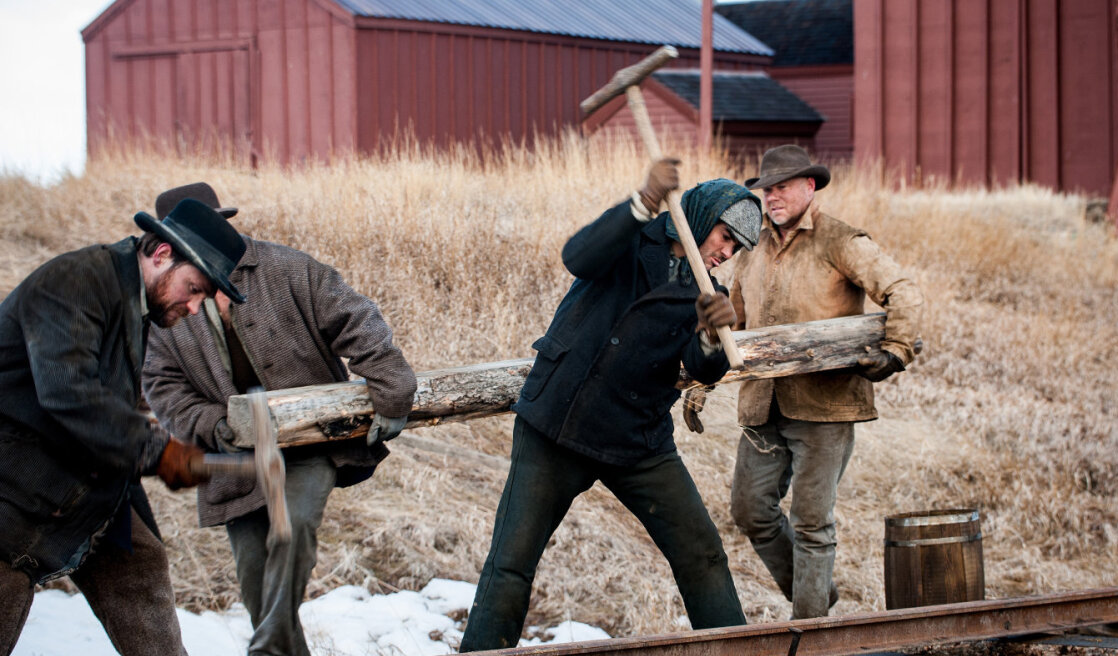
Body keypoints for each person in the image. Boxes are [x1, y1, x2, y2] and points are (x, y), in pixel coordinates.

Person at [459, 160, 762, 652]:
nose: (725, 254)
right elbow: (577, 256)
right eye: (725, 237)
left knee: (702, 554)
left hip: (638, 440)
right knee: (511, 564)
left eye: (736, 249)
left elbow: (701, 367)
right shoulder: (632, 238)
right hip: (558, 423)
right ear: (702, 219)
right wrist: (641, 203)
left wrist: (709, 336)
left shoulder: (707, 294)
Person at [141, 183, 417, 656]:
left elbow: (357, 319)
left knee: (292, 530)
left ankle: (264, 649)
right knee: (254, 578)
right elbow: (163, 388)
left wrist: (392, 393)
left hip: (311, 441)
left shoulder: (287, 268)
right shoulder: (164, 306)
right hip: (232, 459)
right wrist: (214, 426)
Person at [0, 198, 248, 656]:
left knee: (139, 564)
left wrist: (138, 501)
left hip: (86, 489)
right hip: (14, 495)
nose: (195, 307)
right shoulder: (74, 282)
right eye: (193, 289)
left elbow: (110, 409)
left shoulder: (137, 304)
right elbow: (69, 394)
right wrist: (160, 452)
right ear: (161, 255)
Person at [715, 144, 921, 619]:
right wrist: (703, 366)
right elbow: (735, 325)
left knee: (811, 523)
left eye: (782, 187)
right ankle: (816, 594)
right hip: (762, 404)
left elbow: (902, 290)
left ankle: (808, 633)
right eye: (767, 190)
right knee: (750, 510)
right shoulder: (754, 246)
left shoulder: (840, 240)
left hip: (825, 407)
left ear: (810, 186)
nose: (772, 197)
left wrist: (896, 350)